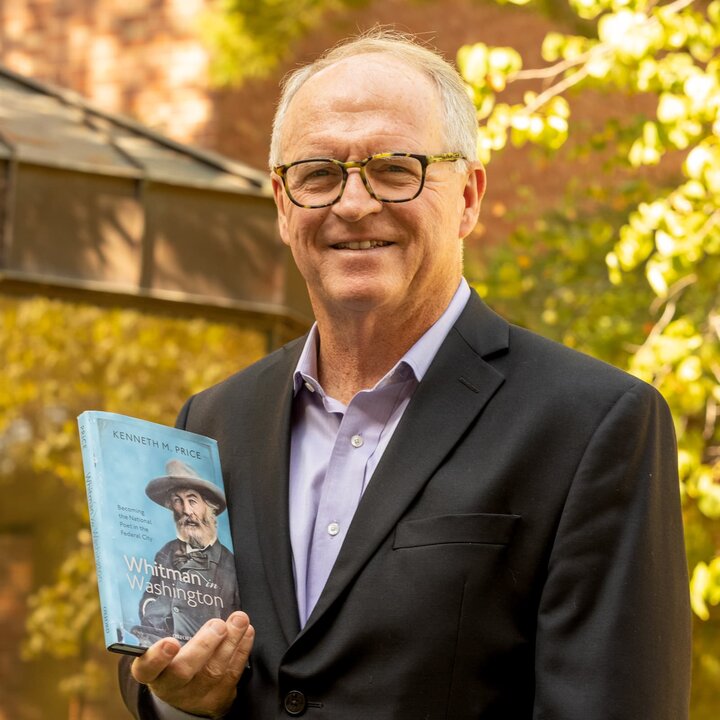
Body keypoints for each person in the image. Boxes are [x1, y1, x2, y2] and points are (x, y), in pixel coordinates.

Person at [119, 29, 691, 720]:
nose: (354, 204)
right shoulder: (212, 421)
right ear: (281, 202)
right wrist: (178, 701)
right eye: (319, 173)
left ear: (470, 197)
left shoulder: (594, 425)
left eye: (396, 168)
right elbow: (166, 658)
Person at [130, 459, 239, 646]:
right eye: (178, 501)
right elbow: (149, 596)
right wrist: (152, 612)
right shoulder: (166, 551)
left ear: (210, 507)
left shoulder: (229, 563)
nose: (186, 511)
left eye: (192, 501)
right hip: (156, 644)